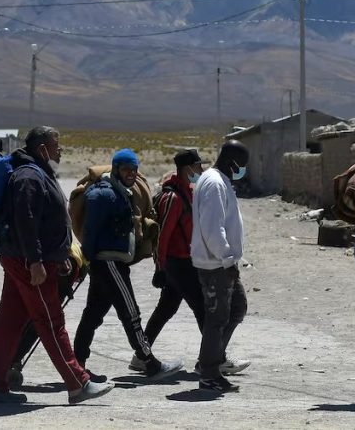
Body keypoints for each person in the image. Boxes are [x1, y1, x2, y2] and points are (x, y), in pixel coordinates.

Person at [0, 126, 113, 404]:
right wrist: (35, 261)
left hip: (24, 259)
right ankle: (78, 383)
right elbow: (26, 222)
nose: (60, 150)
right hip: (27, 262)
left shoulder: (37, 173)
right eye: (56, 145)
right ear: (42, 149)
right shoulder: (29, 177)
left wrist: (59, 255)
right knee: (50, 321)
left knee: (10, 322)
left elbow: (46, 222)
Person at [74, 148, 183, 382]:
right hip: (109, 263)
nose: (131, 174)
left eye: (134, 170)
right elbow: (90, 231)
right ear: (116, 170)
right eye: (126, 170)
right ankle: (150, 363)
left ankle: (77, 365)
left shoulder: (122, 192)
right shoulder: (102, 195)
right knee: (130, 313)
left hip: (110, 264)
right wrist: (88, 258)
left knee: (93, 315)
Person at [140, 149, 250, 377]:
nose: (201, 169)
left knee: (166, 309)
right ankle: (214, 360)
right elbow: (163, 236)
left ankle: (142, 354)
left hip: (185, 261)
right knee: (204, 310)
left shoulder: (189, 191)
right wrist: (160, 267)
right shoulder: (173, 198)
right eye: (198, 165)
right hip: (178, 264)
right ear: (187, 168)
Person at [190, 140, 251, 393]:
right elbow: (213, 229)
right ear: (232, 162)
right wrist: (226, 259)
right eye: (242, 165)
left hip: (222, 262)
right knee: (217, 319)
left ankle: (210, 361)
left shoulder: (218, 180)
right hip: (215, 264)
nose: (243, 171)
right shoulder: (214, 183)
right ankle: (209, 373)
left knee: (236, 308)